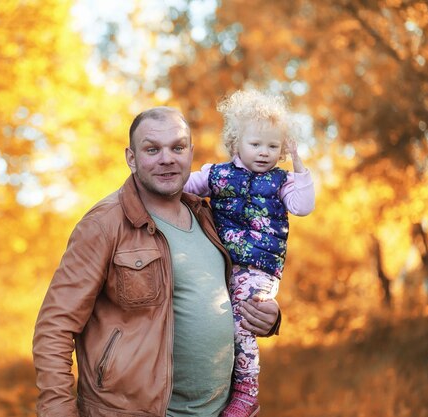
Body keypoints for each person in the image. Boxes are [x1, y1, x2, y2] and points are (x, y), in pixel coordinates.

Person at [32, 106, 282, 417]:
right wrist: (58, 411)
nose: (167, 158)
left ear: (190, 153)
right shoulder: (103, 225)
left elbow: (229, 291)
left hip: (220, 411)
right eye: (152, 149)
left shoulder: (209, 216)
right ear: (131, 157)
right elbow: (54, 327)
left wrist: (265, 317)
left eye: (177, 147)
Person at [184, 90, 315, 417]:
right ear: (235, 142)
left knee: (242, 322)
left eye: (273, 146)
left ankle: (247, 391)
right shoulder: (217, 175)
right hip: (224, 266)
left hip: (259, 268)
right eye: (255, 144)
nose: (264, 153)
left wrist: (299, 166)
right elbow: (182, 187)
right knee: (220, 322)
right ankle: (224, 385)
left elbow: (302, 206)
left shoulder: (281, 181)